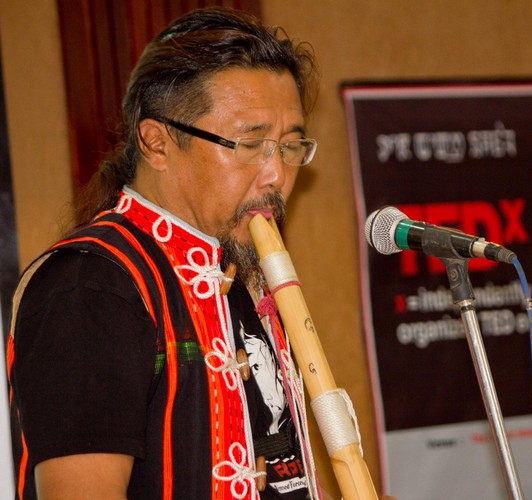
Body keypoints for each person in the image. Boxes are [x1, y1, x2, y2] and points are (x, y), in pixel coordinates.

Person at [7, 7, 326, 499]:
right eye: (250, 144)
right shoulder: (90, 286)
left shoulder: (241, 269)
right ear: (156, 142)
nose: (277, 175)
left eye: (290, 146)